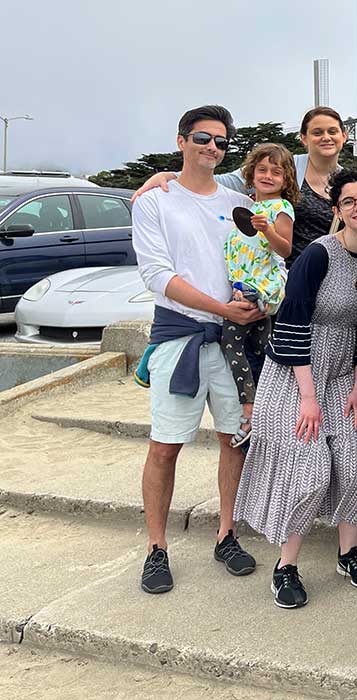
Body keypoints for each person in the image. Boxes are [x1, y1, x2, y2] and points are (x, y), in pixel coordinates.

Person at [233, 168, 357, 608]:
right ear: (337, 210)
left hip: (342, 375)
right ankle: (286, 567)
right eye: (349, 201)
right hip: (295, 374)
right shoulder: (318, 255)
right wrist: (309, 397)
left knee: (353, 465)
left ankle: (348, 552)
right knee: (309, 470)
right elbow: (292, 323)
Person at [132, 105, 262, 594]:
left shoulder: (238, 201)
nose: (212, 147)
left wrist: (249, 304)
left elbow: (258, 257)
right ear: (181, 140)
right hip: (180, 337)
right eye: (203, 138)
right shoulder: (154, 201)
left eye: (221, 141)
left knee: (234, 439)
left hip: (235, 343)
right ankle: (156, 548)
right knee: (165, 445)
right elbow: (157, 275)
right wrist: (219, 308)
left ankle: (226, 533)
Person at [134, 106, 348, 268]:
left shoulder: (347, 181)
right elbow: (226, 181)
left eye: (332, 131)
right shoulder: (281, 164)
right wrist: (170, 175)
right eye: (317, 132)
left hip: (327, 275)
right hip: (282, 276)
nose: (326, 138)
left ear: (343, 136)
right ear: (304, 138)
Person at [222, 143, 297, 448]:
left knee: (231, 341)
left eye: (276, 172)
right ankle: (269, 413)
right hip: (243, 288)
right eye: (262, 169)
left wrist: (268, 230)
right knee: (259, 349)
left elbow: (286, 249)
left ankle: (250, 412)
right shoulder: (246, 206)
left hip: (259, 290)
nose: (268, 176)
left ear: (286, 179)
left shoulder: (281, 209)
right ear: (251, 173)